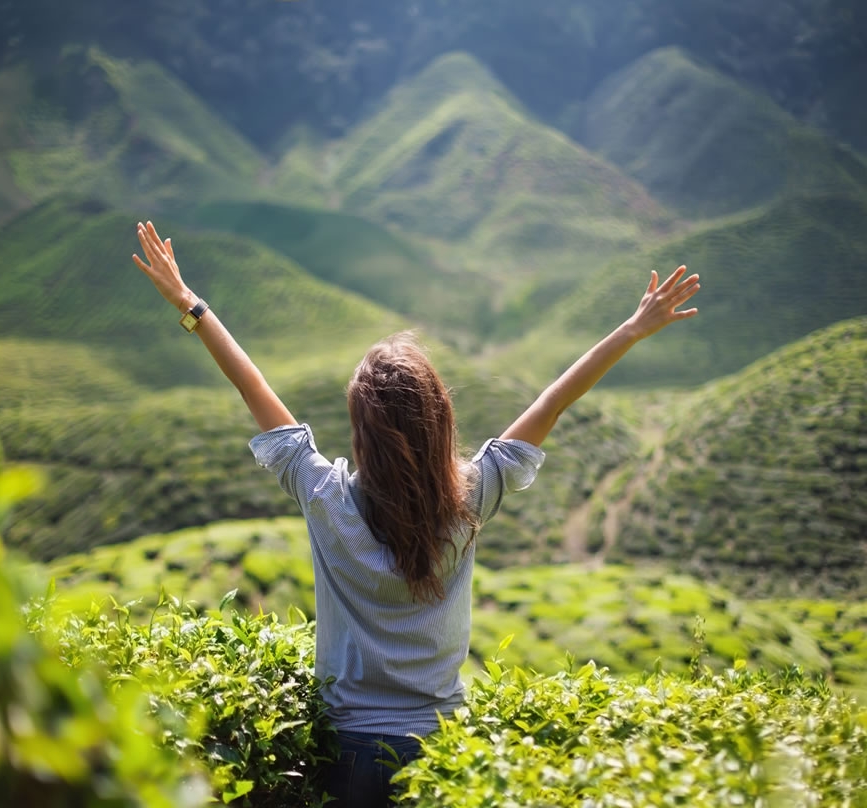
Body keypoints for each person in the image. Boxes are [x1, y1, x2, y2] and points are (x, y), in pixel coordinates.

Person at [132, 220, 700, 807]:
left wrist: (191, 305)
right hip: (440, 749)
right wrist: (633, 329)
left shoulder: (323, 495)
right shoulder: (470, 497)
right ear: (440, 422)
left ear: (361, 435)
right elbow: (553, 399)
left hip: (346, 750)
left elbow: (251, 384)